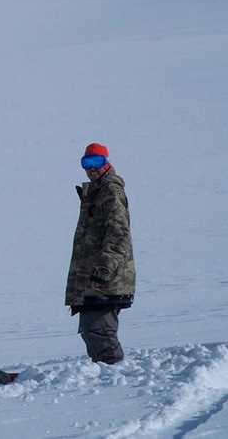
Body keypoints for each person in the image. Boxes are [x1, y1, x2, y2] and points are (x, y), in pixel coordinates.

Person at [65, 143, 135, 364]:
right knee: (90, 329)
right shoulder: (96, 192)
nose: (92, 168)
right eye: (87, 163)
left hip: (107, 277)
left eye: (98, 162)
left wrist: (103, 270)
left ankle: (116, 375)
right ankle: (106, 374)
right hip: (94, 275)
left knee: (99, 330)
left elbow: (118, 234)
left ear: (107, 162)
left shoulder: (110, 192)